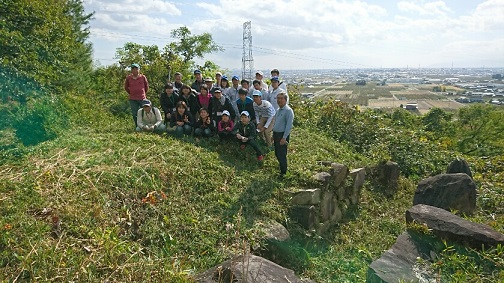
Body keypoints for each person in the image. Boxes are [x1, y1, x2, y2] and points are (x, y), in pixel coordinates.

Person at [273, 92, 294, 176]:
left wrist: (284, 137)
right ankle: (282, 170)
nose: (279, 100)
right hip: (276, 134)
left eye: (281, 98)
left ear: (285, 100)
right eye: (278, 98)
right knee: (277, 153)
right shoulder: (278, 110)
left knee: (282, 154)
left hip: (282, 135)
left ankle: (283, 173)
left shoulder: (288, 111)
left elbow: (289, 125)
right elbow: (276, 123)